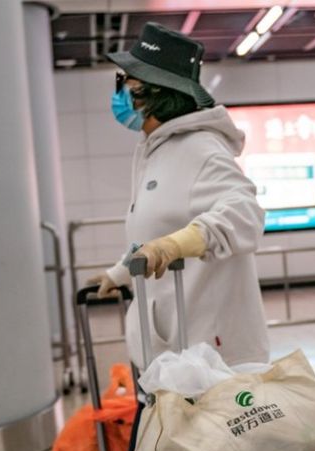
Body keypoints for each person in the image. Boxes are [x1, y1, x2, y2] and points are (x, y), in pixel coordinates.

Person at [88, 22, 269, 368]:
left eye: (126, 82)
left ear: (154, 92)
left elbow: (245, 213)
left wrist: (176, 245)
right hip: (175, 354)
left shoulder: (201, 148)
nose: (119, 92)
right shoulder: (156, 150)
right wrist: (120, 273)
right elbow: (158, 229)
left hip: (210, 357)